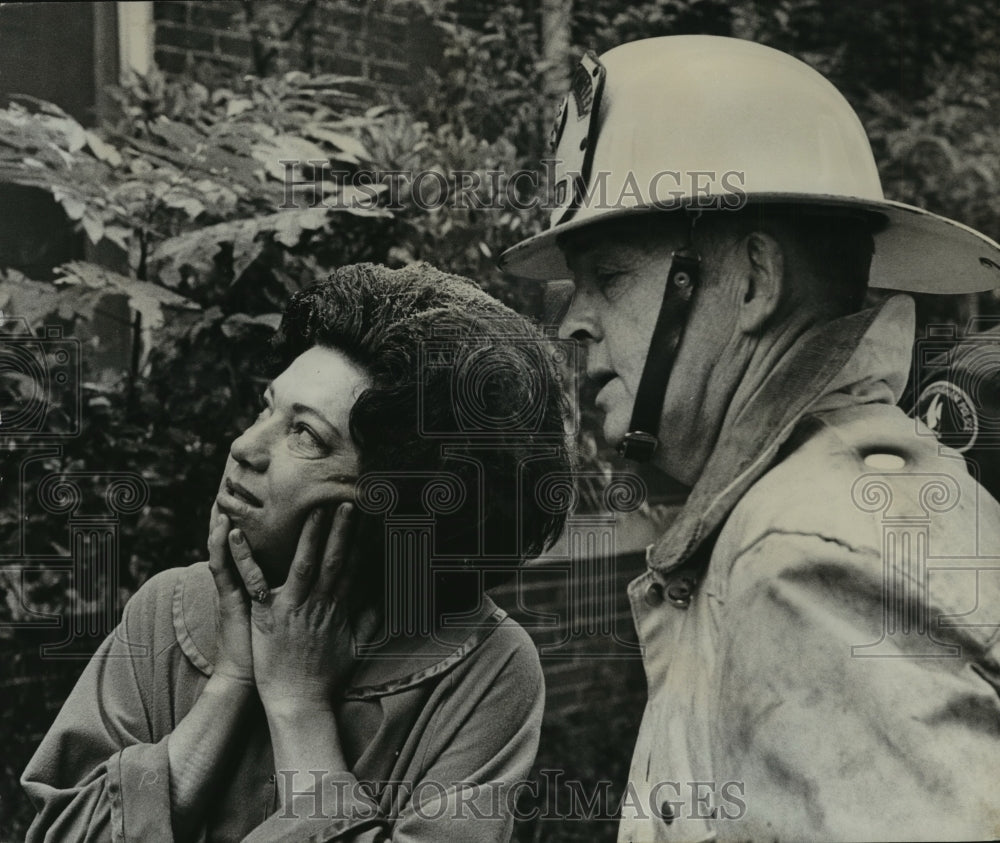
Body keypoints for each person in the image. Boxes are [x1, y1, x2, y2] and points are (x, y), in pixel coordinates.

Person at [501, 35, 1000, 842]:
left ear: (756, 282)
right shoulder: (831, 493)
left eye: (612, 275)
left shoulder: (805, 558)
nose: (572, 322)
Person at [21, 262, 572, 842]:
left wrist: (298, 704)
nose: (244, 447)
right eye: (267, 408)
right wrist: (232, 681)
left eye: (305, 434)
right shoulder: (168, 609)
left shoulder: (486, 667)